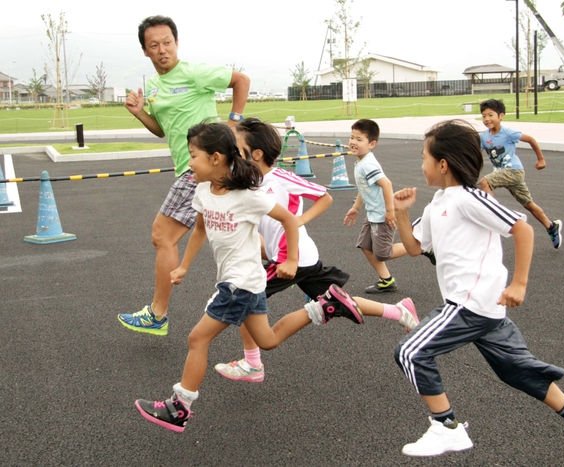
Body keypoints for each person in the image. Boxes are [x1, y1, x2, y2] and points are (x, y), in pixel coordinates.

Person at [392, 119, 564, 464]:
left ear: (443, 164)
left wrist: (519, 282)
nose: (421, 164)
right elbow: (415, 247)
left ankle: (446, 426)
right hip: (480, 307)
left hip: (470, 303)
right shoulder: (439, 203)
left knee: (411, 352)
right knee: (516, 370)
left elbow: (522, 228)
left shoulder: (469, 199)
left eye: (424, 157)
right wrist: (402, 213)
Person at [134, 122, 364, 432]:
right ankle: (323, 307)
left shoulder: (247, 195)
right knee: (266, 340)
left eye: (193, 155)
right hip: (247, 279)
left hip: (239, 283)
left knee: (197, 338)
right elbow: (200, 229)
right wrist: (185, 265)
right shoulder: (203, 190)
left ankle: (180, 406)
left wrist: (292, 260)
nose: (189, 163)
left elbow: (289, 221)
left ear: (216, 158)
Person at [212, 118, 419, 382]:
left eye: (238, 150)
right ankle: (399, 311)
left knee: (246, 296)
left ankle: (252, 364)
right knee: (340, 299)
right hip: (299, 258)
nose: (233, 156)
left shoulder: (281, 178)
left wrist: (297, 221)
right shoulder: (249, 183)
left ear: (256, 154)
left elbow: (325, 196)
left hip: (294, 259)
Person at [118, 15, 251, 335]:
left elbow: (241, 80)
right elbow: (164, 130)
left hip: (203, 167)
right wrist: (140, 114)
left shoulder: (193, 72)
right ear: (145, 51)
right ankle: (302, 271)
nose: (162, 49)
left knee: (162, 236)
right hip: (189, 165)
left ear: (176, 43)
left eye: (167, 42)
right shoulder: (153, 86)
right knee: (241, 229)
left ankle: (158, 314)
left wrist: (232, 125)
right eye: (154, 45)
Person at [478, 99, 563, 249]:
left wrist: (541, 159)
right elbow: (474, 153)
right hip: (501, 173)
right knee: (529, 205)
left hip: (514, 171)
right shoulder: (484, 137)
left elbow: (530, 139)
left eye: (490, 115)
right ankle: (551, 226)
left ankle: (494, 217)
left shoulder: (508, 133)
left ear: (501, 116)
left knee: (484, 183)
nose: (486, 119)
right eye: (484, 116)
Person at [343, 119, 407, 293]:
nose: (353, 142)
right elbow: (364, 189)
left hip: (381, 215)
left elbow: (386, 184)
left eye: (359, 139)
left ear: (372, 144)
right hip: (372, 213)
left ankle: (421, 245)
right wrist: (356, 208)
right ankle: (386, 280)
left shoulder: (368, 164)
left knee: (383, 253)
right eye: (352, 137)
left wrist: (389, 212)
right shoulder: (361, 162)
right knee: (365, 245)